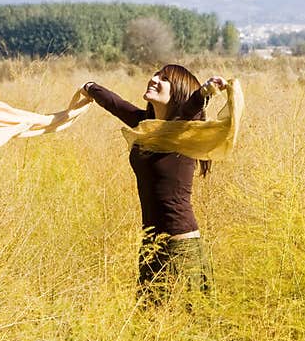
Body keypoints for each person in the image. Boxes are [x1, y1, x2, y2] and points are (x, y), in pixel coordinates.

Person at [82, 64, 228, 306]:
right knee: (149, 326)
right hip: (151, 244)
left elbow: (193, 105)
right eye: (155, 74)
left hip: (179, 245)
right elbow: (116, 105)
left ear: (179, 91)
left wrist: (207, 90)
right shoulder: (148, 125)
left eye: (164, 79)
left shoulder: (183, 128)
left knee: (186, 328)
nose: (153, 79)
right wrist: (90, 88)